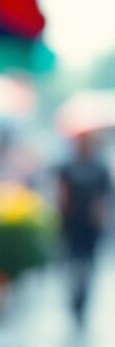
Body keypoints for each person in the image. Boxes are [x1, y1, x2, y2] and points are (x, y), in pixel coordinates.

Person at [57, 132, 111, 324]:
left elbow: (105, 195)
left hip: (91, 224)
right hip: (72, 222)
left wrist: (101, 214)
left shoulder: (100, 167)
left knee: (89, 263)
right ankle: (74, 298)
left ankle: (83, 301)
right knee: (72, 263)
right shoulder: (68, 166)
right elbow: (62, 191)